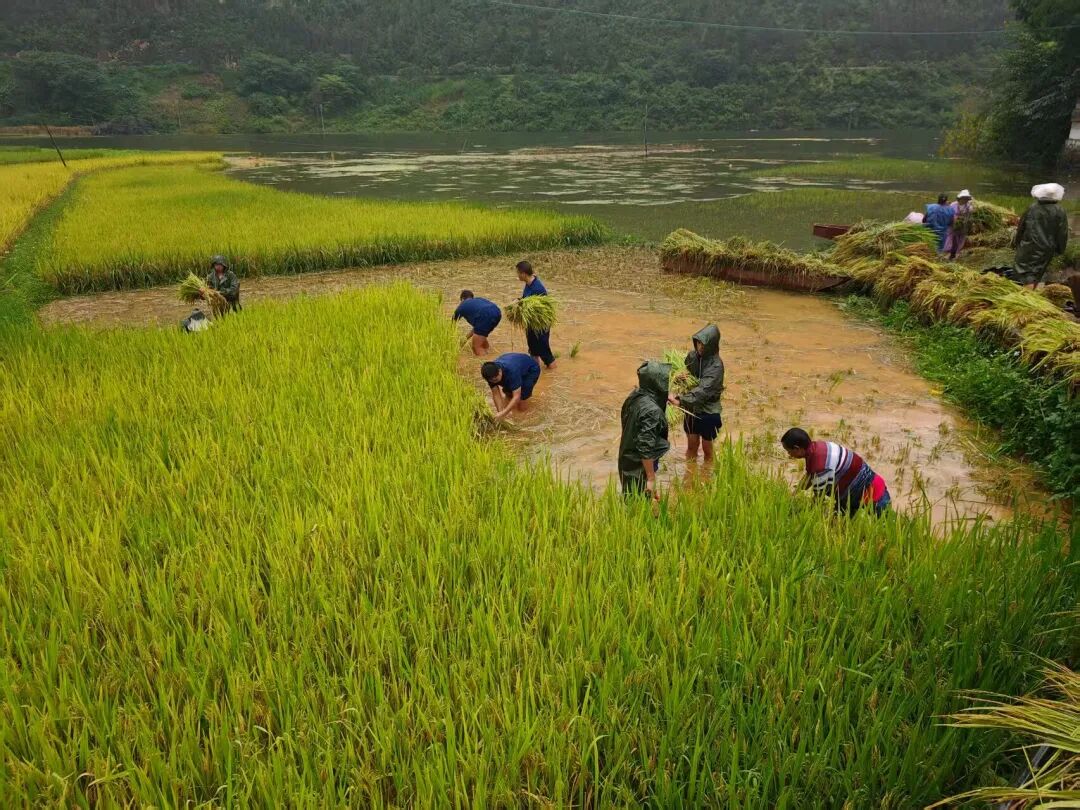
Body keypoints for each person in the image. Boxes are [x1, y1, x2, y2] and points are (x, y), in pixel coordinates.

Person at [780, 428, 891, 516]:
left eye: (789, 451)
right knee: (840, 522)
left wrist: (799, 513)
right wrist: (793, 495)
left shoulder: (820, 466)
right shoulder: (818, 448)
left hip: (872, 495)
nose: (789, 455)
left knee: (884, 525)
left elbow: (819, 499)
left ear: (797, 448)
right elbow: (809, 477)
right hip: (856, 489)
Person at [670, 324, 724, 463]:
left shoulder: (716, 366)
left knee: (707, 450)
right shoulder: (692, 357)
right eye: (698, 343)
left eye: (703, 344)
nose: (700, 347)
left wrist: (680, 401)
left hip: (708, 411)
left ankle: (707, 473)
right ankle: (690, 472)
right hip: (692, 409)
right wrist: (679, 377)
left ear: (711, 346)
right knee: (691, 446)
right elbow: (686, 374)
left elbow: (703, 391)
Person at [617, 360, 671, 499]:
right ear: (657, 383)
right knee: (639, 500)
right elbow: (645, 446)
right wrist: (651, 478)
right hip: (639, 465)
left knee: (633, 497)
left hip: (627, 458)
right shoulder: (652, 411)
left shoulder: (635, 396)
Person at [1012, 183, 1069, 289]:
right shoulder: (1060, 211)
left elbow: (1021, 227)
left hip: (1028, 245)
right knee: (1040, 271)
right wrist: (1060, 249)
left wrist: (1017, 242)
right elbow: (1062, 233)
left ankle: (1027, 294)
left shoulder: (1032, 208)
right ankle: (1036, 292)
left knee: (1025, 271)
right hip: (1047, 248)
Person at [516, 260, 557, 369]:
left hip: (540, 325)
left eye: (518, 273)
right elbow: (526, 300)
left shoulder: (537, 288)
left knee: (545, 353)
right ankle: (535, 371)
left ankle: (553, 371)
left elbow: (539, 310)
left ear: (524, 274)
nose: (517, 275)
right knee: (533, 349)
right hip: (532, 324)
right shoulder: (528, 284)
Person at [481, 353, 541, 421]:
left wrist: (504, 413)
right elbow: (496, 394)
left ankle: (523, 418)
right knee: (508, 394)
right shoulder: (489, 374)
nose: (494, 382)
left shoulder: (512, 372)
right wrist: (500, 413)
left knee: (522, 399)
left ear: (500, 371)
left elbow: (517, 396)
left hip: (530, 371)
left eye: (496, 380)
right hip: (514, 365)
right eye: (492, 381)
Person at [453, 290, 502, 356]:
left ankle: (484, 360)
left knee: (476, 346)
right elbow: (477, 328)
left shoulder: (461, 307)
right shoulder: (479, 300)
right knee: (480, 336)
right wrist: (464, 339)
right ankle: (489, 355)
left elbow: (452, 325)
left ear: (462, 299)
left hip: (484, 315)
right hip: (497, 312)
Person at [944, 189, 974, 260]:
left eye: (966, 198)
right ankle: (948, 252)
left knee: (961, 238)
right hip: (953, 224)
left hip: (963, 225)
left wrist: (964, 219)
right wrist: (954, 218)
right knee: (950, 237)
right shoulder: (953, 205)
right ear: (960, 198)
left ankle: (957, 253)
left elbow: (970, 216)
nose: (965, 200)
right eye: (964, 198)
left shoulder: (969, 207)